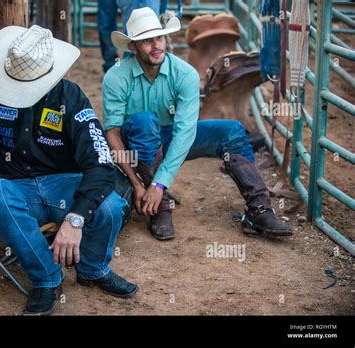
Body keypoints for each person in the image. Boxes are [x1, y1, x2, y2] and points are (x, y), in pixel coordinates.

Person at [0, 25, 138, 315]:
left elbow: (101, 164)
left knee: (110, 205)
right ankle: (46, 278)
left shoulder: (72, 99)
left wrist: (75, 218)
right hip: (18, 186)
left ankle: (93, 269)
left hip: (65, 185)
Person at [102, 7, 293, 241]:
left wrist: (160, 183)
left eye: (159, 37)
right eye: (147, 41)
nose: (156, 45)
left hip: (171, 136)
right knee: (144, 121)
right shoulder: (116, 77)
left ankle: (259, 208)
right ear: (133, 46)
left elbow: (184, 131)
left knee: (232, 130)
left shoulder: (185, 74)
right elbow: (112, 132)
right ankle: (159, 207)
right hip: (135, 142)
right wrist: (137, 184)